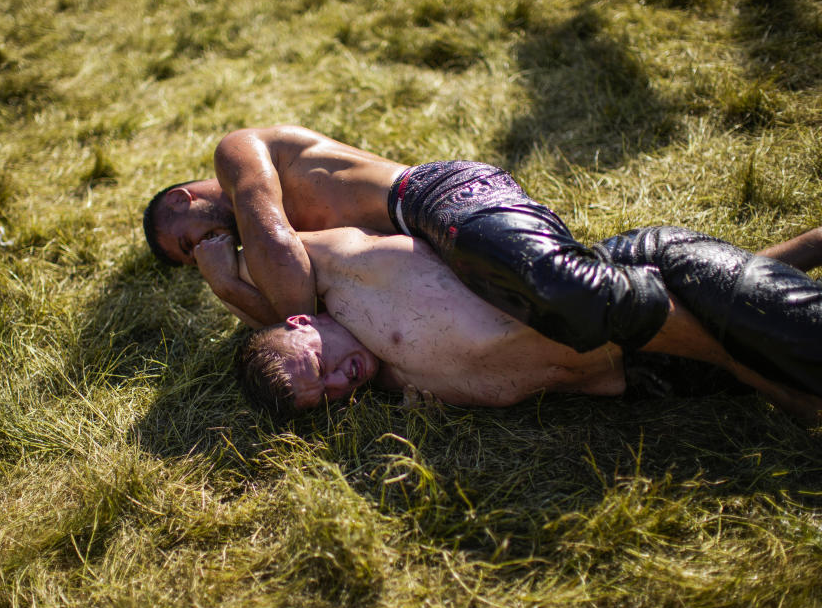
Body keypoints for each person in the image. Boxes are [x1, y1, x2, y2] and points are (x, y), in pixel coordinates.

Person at [145, 125, 822, 352]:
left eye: (186, 243)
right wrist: (227, 283)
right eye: (191, 259)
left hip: (441, 202)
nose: (201, 249)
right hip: (448, 264)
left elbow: (293, 294)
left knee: (573, 292)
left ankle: (745, 365)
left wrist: (238, 279)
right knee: (619, 290)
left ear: (181, 201)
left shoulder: (238, 156)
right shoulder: (249, 262)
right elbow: (309, 329)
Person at [237, 226, 822, 423]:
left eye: (319, 366)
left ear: (300, 319)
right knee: (764, 315)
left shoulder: (353, 269)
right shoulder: (394, 388)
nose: (340, 385)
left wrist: (215, 252)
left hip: (638, 282)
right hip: (652, 377)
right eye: (329, 398)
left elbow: (264, 241)